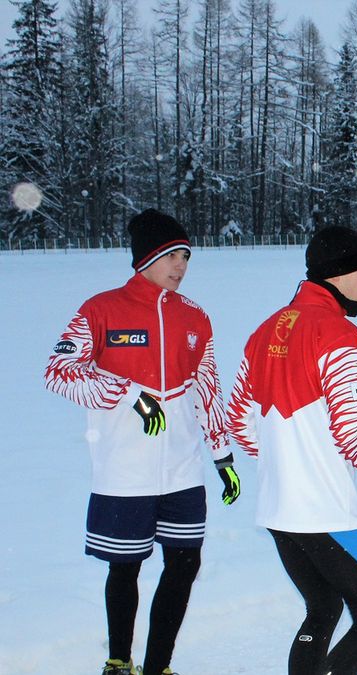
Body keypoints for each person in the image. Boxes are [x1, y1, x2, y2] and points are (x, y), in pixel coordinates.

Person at [44, 209, 240, 675]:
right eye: (172, 255)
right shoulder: (101, 309)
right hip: (123, 471)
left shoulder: (196, 317)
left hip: (182, 470)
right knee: (125, 568)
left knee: (185, 564)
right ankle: (118, 660)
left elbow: (208, 389)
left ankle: (158, 666)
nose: (181, 266)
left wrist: (223, 454)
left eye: (186, 256)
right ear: (145, 257)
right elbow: (59, 372)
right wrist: (130, 394)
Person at [226, 226, 357, 675]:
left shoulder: (265, 329)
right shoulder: (337, 334)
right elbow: (350, 427)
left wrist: (283, 464)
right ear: (340, 274)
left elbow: (238, 421)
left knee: (322, 608)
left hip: (278, 510)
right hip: (325, 512)